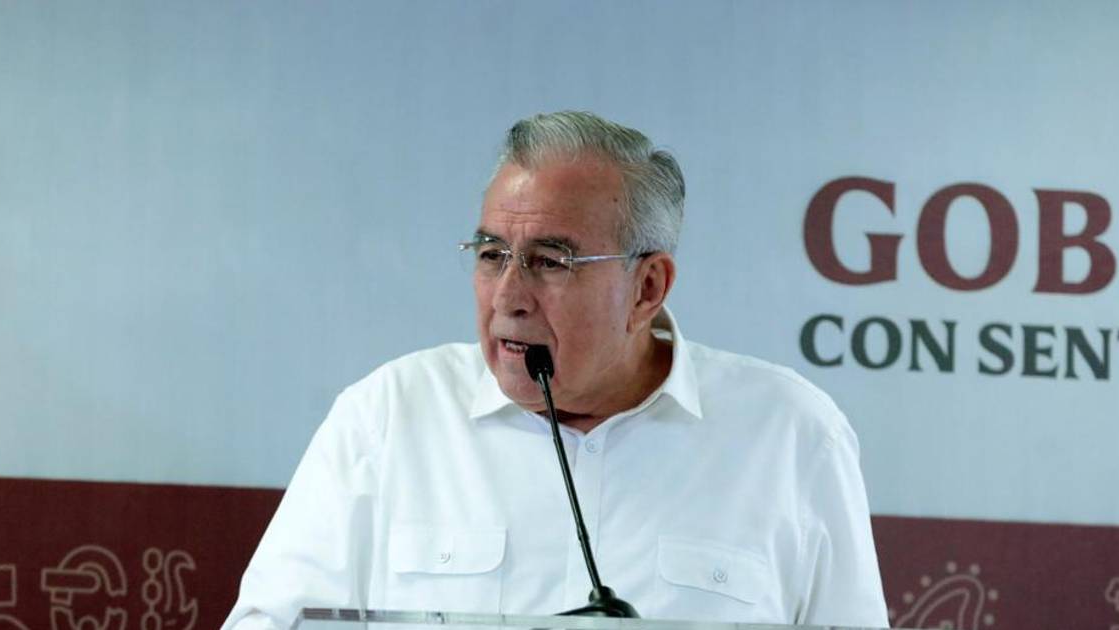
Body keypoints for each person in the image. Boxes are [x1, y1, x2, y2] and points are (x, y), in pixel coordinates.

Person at [222, 111, 889, 629]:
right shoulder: (386, 417)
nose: (508, 296)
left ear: (647, 288)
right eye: (491, 254)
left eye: (549, 261)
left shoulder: (792, 435)